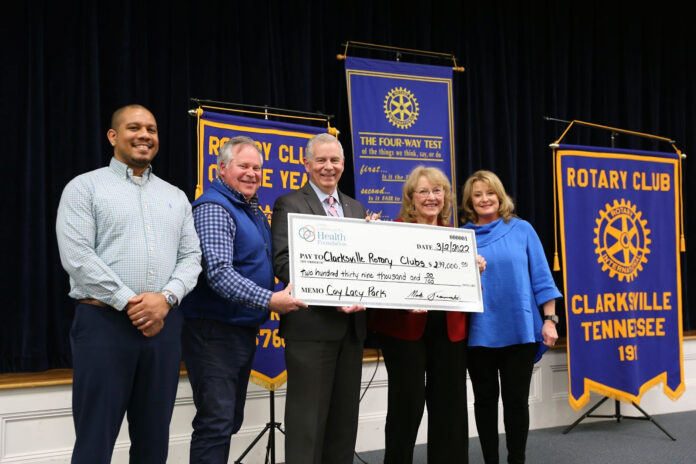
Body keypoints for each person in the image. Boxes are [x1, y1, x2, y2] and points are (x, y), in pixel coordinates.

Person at [55, 104, 202, 463]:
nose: (145, 136)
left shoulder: (175, 196)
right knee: (95, 441)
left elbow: (192, 258)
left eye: (151, 129)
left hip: (163, 328)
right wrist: (132, 302)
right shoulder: (84, 188)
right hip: (103, 326)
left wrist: (165, 299)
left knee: (154, 443)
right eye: (134, 128)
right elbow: (77, 257)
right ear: (113, 136)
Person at [179, 136, 307, 463]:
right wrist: (270, 300)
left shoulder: (250, 209)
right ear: (222, 169)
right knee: (216, 422)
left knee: (228, 419)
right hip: (213, 333)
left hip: (237, 330)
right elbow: (219, 274)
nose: (252, 173)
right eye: (243, 166)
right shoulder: (213, 208)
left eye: (257, 168)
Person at [369, 166, 479, 463]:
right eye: (423, 192)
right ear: (411, 198)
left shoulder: (456, 238)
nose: (431, 197)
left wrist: (473, 267)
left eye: (437, 191)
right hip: (403, 330)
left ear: (445, 196)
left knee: (450, 406)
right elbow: (375, 282)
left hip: (449, 329)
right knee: (407, 405)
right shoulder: (389, 232)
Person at [271, 133, 367, 464]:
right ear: (307, 164)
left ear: (344, 164)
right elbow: (283, 261)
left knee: (343, 426)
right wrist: (332, 296)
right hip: (311, 330)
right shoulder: (290, 204)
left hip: (352, 331)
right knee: (306, 426)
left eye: (335, 160)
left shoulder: (356, 208)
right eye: (321, 160)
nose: (329, 167)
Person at [459, 170, 562, 464]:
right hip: (479, 333)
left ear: (500, 196)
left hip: (520, 330)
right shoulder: (460, 237)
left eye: (489, 193)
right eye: (477, 195)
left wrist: (550, 320)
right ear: (469, 201)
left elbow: (542, 278)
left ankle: (517, 459)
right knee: (485, 403)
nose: (484, 199)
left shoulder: (522, 229)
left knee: (516, 402)